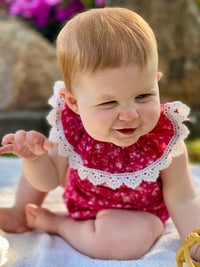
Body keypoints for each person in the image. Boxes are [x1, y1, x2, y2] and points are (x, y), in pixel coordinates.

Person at [0, 7, 200, 261]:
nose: (130, 114)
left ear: (156, 82)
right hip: (80, 190)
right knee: (41, 150)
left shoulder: (164, 141)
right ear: (74, 103)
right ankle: (22, 210)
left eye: (143, 95)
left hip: (136, 216)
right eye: (109, 103)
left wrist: (196, 241)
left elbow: (183, 200)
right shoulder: (72, 130)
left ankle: (61, 225)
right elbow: (49, 181)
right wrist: (35, 160)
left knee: (126, 241)